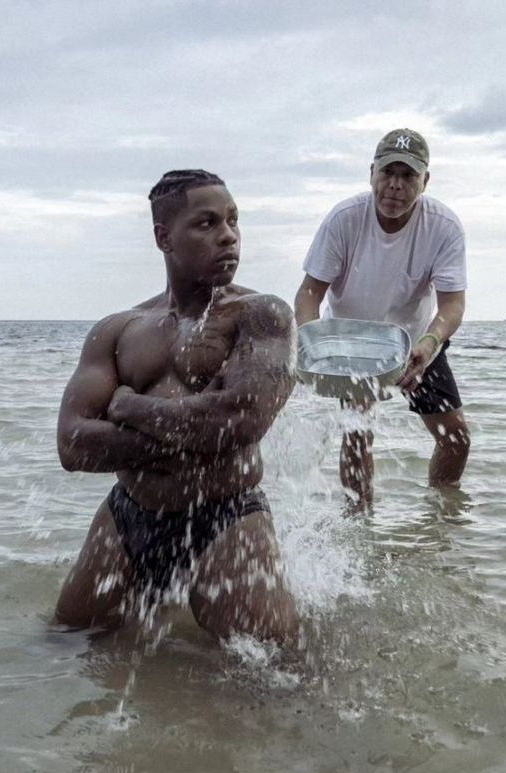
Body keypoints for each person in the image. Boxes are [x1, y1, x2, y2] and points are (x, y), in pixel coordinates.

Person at [54, 169, 300, 646]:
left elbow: (239, 421)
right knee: (66, 642)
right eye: (207, 224)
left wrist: (130, 406)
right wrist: (188, 438)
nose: (228, 235)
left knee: (279, 671)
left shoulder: (261, 314)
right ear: (164, 237)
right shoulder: (118, 329)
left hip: (227, 516)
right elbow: (72, 445)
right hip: (130, 516)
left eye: (232, 221)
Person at [294, 128, 470, 511]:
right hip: (351, 344)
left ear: (425, 180)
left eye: (408, 175)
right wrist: (311, 343)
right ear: (371, 172)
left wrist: (429, 345)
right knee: (358, 436)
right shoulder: (344, 219)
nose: (395, 186)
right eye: (387, 173)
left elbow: (453, 304)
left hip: (418, 342)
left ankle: (440, 521)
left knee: (455, 439)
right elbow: (309, 294)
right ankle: (360, 524)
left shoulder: (443, 226)